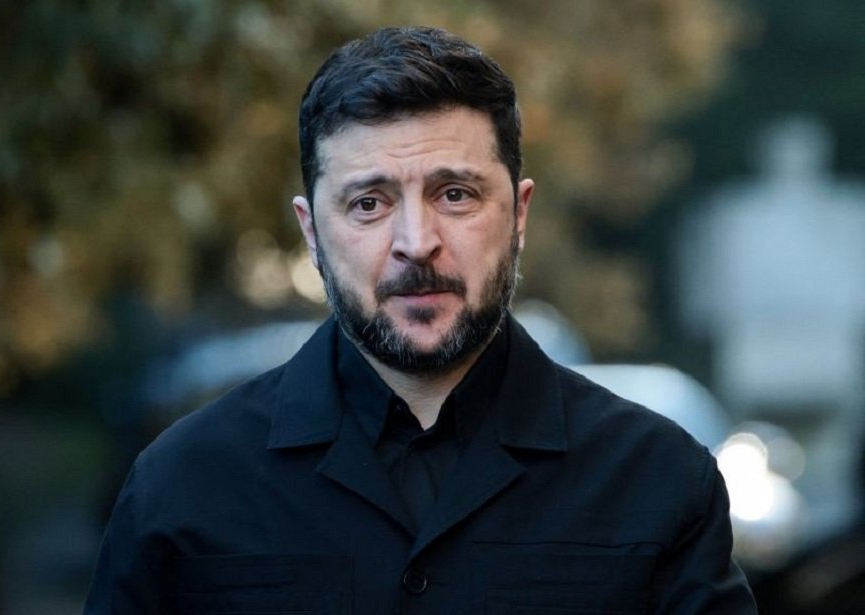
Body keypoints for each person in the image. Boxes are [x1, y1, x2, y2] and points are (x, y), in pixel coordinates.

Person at [84, 26, 756, 613]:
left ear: (519, 215)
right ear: (311, 232)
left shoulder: (659, 480)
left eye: (454, 194)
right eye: (369, 203)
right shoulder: (183, 486)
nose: (416, 241)